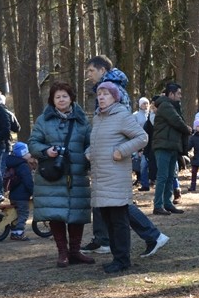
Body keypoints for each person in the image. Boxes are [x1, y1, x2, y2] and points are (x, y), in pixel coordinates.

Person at [81, 57, 169, 259]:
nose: (88, 75)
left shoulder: (115, 93)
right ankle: (103, 240)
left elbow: (130, 130)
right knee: (109, 205)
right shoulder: (104, 95)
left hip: (113, 163)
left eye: (91, 70)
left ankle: (151, 236)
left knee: (119, 206)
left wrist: (120, 150)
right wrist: (92, 151)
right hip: (104, 161)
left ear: (103, 70)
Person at [28, 82, 95, 267]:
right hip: (52, 174)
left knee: (77, 212)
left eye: (64, 96)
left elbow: (91, 143)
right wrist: (46, 150)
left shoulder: (82, 120)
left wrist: (89, 154)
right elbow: (33, 143)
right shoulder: (43, 120)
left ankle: (75, 251)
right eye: (57, 97)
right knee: (55, 213)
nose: (61, 99)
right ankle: (62, 253)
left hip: (76, 174)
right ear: (52, 100)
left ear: (71, 98)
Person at [87, 82, 148, 273]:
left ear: (115, 97)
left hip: (116, 177)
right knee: (108, 220)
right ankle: (116, 258)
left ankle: (123, 259)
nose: (101, 97)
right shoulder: (98, 117)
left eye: (105, 94)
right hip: (100, 177)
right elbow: (101, 142)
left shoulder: (122, 115)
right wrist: (90, 151)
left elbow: (142, 137)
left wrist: (122, 151)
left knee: (118, 221)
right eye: (99, 94)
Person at [152, 83, 191, 215]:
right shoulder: (165, 106)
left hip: (172, 146)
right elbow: (177, 121)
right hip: (163, 146)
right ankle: (158, 205)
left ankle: (167, 204)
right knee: (162, 176)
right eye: (178, 94)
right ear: (171, 94)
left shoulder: (173, 106)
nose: (180, 96)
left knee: (170, 176)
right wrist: (188, 129)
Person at [3, 142, 34, 241]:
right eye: (28, 152)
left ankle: (14, 232)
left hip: (13, 195)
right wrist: (34, 191)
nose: (30, 154)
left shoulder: (13, 164)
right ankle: (19, 233)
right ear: (23, 154)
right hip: (22, 196)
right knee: (23, 213)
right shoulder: (23, 166)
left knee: (15, 215)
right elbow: (28, 182)